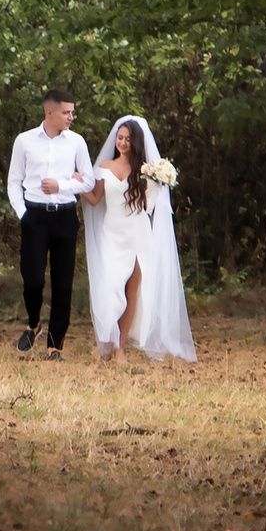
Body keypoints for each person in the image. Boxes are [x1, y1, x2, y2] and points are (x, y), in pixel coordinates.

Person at [78, 115, 197, 362]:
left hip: (138, 232)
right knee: (112, 287)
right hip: (112, 232)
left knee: (133, 291)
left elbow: (150, 206)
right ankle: (108, 340)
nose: (122, 143)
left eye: (127, 139)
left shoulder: (146, 171)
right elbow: (95, 198)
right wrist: (78, 185)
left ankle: (120, 348)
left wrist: (158, 184)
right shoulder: (105, 167)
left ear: (136, 142)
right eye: (119, 138)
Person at [3, 89, 93, 358]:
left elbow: (88, 181)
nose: (71, 117)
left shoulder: (76, 142)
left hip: (65, 216)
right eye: (66, 112)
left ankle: (55, 345)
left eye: (72, 112)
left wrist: (61, 185)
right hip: (35, 216)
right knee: (32, 279)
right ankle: (33, 324)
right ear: (49, 112)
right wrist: (23, 213)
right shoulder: (25, 141)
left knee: (63, 283)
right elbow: (14, 181)